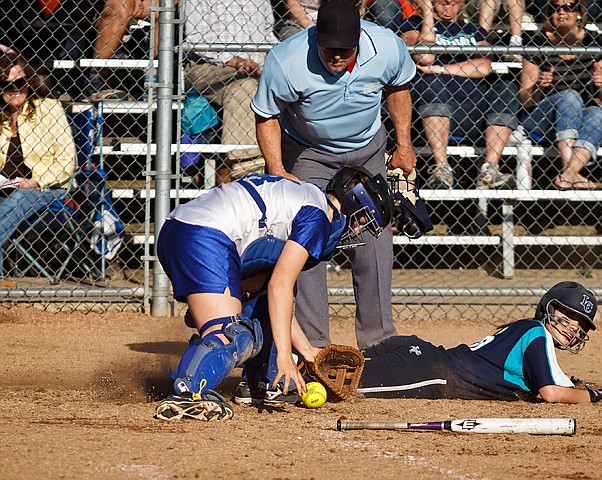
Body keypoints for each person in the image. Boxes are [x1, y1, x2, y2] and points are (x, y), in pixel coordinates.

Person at [154, 168, 395, 420]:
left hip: (186, 230)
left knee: (263, 298)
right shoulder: (319, 216)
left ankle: (264, 382)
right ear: (351, 200)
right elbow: (279, 286)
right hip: (204, 236)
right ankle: (189, 393)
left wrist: (308, 352)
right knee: (233, 333)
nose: (357, 228)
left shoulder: (307, 197)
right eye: (362, 218)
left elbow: (274, 292)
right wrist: (284, 356)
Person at [251, 0, 417, 350]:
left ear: (361, 36)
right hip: (308, 151)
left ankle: (379, 343)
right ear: (316, 37)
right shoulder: (288, 59)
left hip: (368, 148)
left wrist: (404, 145)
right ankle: (314, 345)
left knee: (375, 238)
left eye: (346, 48)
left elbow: (399, 88)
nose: (337, 56)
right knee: (308, 239)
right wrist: (278, 170)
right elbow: (266, 114)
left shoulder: (386, 46)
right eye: (329, 48)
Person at [358, 281, 602, 403]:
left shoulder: (531, 334)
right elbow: (551, 393)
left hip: (421, 354)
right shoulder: (537, 333)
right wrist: (592, 396)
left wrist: (578, 385)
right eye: (568, 315)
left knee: (339, 366)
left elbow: (557, 380)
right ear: (548, 309)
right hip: (431, 373)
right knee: (344, 383)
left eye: (580, 324)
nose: (572, 327)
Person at [399, 0, 520, 189]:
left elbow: (483, 66)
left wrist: (440, 68)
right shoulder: (412, 25)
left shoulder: (474, 29)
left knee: (506, 88)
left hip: (473, 113)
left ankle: (490, 170)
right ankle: (442, 168)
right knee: (433, 83)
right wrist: (428, 14)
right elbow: (425, 57)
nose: (448, 2)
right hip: (427, 112)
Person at [518, 0, 602, 190]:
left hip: (578, 119)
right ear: (549, 12)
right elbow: (525, 100)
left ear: (580, 12)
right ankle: (569, 171)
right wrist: (539, 86)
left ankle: (569, 174)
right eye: (555, 7)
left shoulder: (594, 41)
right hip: (541, 117)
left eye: (569, 6)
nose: (562, 12)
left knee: (598, 114)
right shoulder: (536, 41)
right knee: (570, 96)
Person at [184, 0, 278, 185]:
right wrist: (233, 60)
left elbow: (269, 36)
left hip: (256, 68)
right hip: (209, 65)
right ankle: (247, 172)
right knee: (244, 87)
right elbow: (195, 39)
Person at [0, 52, 77, 277]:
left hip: (47, 188)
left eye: (21, 82)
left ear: (30, 82)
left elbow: (67, 161)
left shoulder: (49, 109)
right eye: (7, 84)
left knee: (22, 196)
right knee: (14, 198)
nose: (15, 89)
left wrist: (34, 181)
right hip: (6, 187)